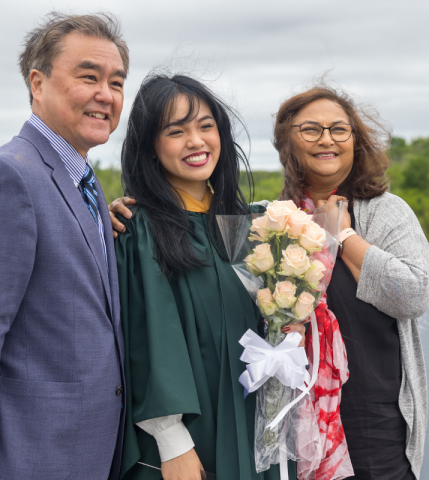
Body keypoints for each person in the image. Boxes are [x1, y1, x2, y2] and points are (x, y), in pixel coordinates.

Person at [0, 13, 129, 480]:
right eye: (88, 77)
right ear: (38, 82)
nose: (105, 95)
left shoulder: (84, 182)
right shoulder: (8, 176)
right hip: (28, 457)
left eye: (116, 82)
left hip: (86, 452)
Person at [113, 73, 305, 480]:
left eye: (205, 126)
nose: (196, 141)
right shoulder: (140, 229)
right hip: (187, 440)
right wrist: (172, 441)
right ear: (150, 147)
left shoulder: (251, 226)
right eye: (176, 131)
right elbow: (149, 336)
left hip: (256, 422)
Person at [272, 86, 429, 480]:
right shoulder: (274, 221)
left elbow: (413, 295)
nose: (327, 138)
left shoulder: (386, 213)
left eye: (339, 129)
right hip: (297, 430)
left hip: (377, 432)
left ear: (355, 141)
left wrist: (346, 238)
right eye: (311, 129)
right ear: (286, 142)